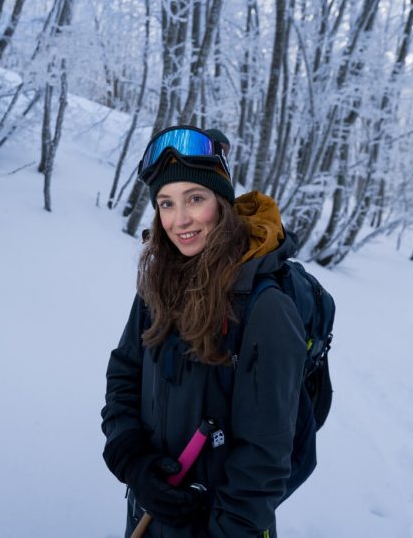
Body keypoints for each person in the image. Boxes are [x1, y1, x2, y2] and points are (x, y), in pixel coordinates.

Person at [101, 125, 306, 537]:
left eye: (195, 198)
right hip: (147, 516)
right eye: (166, 203)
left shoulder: (264, 307)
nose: (180, 220)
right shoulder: (159, 284)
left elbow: (264, 459)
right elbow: (124, 375)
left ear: (222, 202)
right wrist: (133, 461)